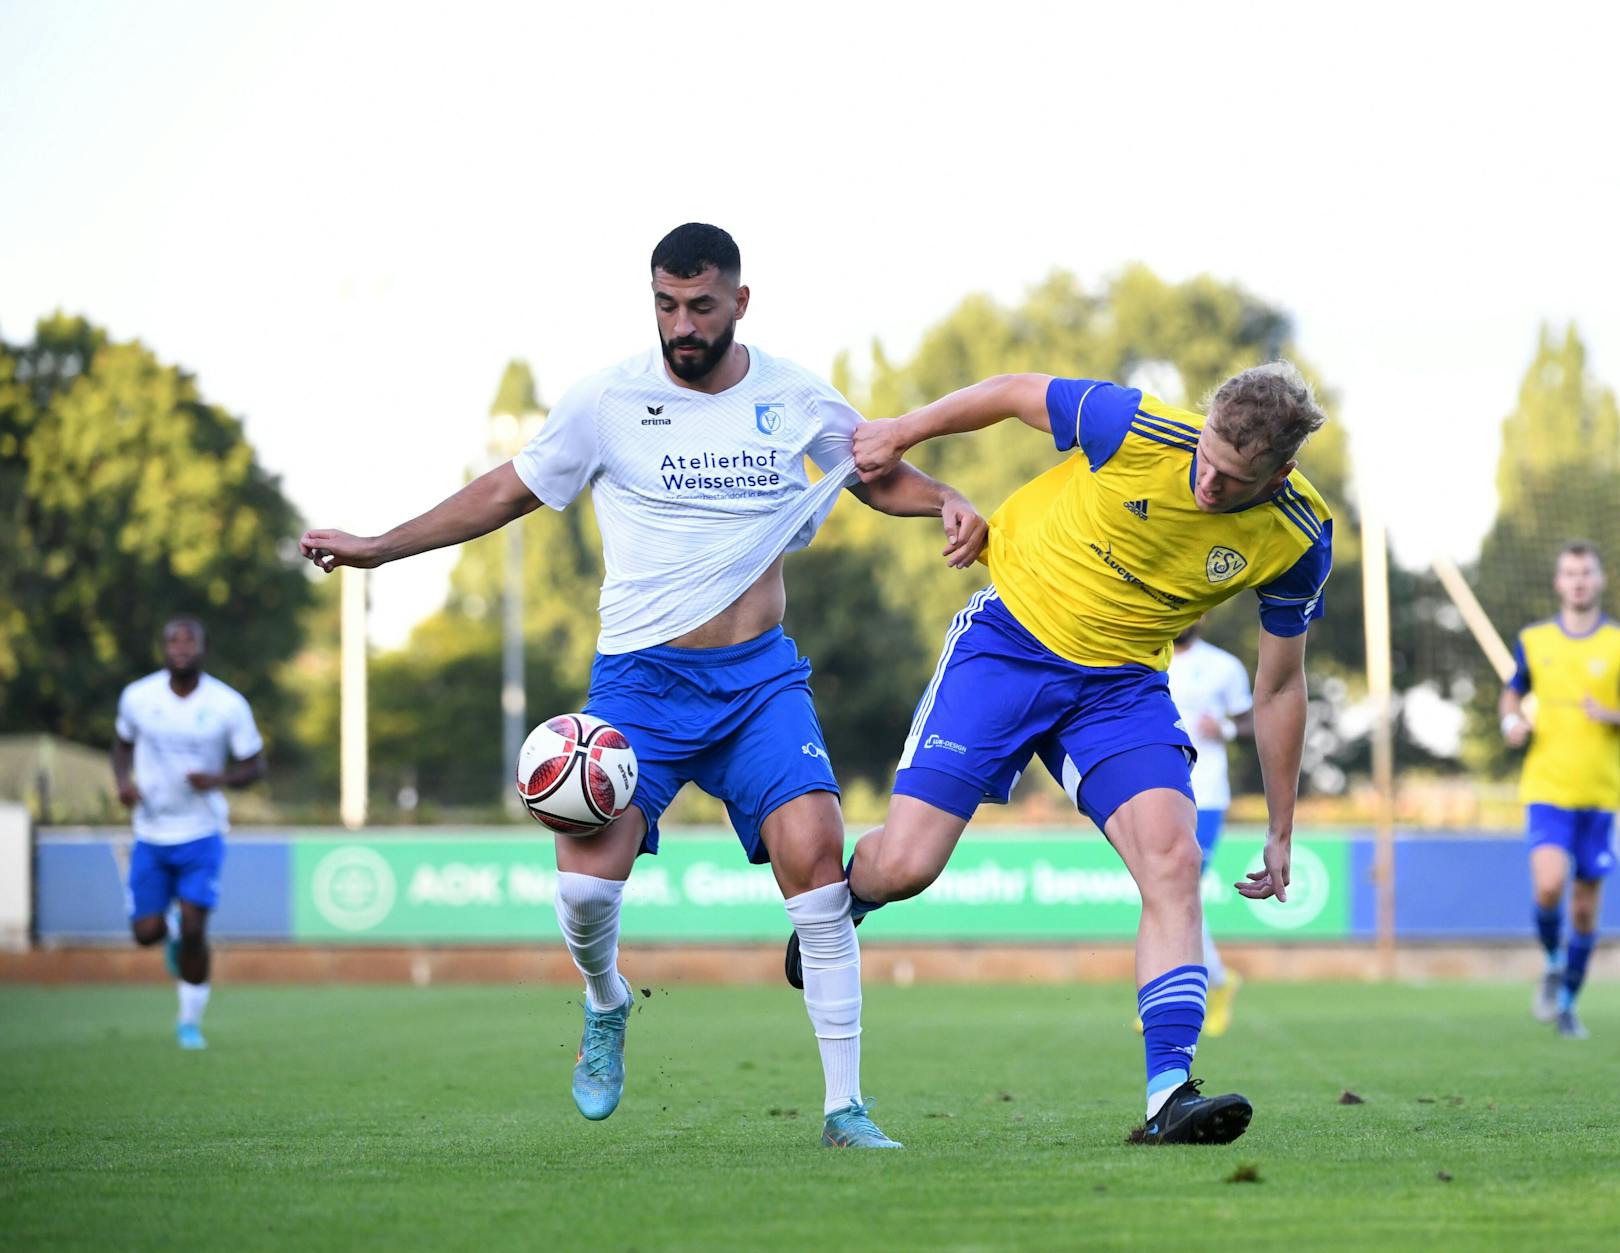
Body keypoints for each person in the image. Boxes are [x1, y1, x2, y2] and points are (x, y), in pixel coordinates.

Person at [301, 223, 987, 1149]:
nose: (682, 325)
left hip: (758, 682)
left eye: (701, 306)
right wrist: (380, 546)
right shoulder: (609, 401)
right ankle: (607, 998)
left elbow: (875, 474)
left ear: (740, 302)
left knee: (819, 865)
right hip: (640, 682)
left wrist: (944, 498)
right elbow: (507, 490)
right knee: (587, 892)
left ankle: (844, 1108)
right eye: (666, 305)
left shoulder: (793, 396)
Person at [788, 362, 1333, 1145]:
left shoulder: (1298, 536)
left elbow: (1282, 687)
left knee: (1173, 863)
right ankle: (851, 902)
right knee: (906, 865)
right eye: (1206, 458)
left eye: (1233, 477)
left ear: (1280, 473)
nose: (1208, 482)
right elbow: (1012, 391)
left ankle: (1169, 1094)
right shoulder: (1138, 428)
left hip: (1119, 688)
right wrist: (901, 432)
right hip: (1009, 643)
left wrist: (1282, 827)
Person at [1499, 542, 1620, 1039]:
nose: (1578, 580)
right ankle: (1552, 959)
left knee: (1584, 907)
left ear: (1600, 580)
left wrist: (1609, 715)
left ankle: (1567, 1003)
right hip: (1547, 788)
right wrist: (1510, 721)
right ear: (1559, 583)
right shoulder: (1534, 639)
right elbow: (1513, 690)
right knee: (1548, 884)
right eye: (1570, 573)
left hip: (1601, 794)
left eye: (1586, 572)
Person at [112, 617, 266, 1050]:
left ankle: (189, 1024)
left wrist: (218, 778)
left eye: (189, 641)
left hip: (202, 831)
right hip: (151, 830)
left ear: (203, 648)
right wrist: (123, 782)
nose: (180, 648)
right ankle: (170, 930)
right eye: (172, 642)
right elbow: (121, 743)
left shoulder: (227, 704)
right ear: (163, 649)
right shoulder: (139, 697)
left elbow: (256, 765)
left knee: (198, 928)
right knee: (145, 934)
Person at [1165, 623, 1256, 1036]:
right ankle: (1213, 983)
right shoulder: (1140, 652)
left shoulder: (1224, 666)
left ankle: (1186, 996)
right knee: (1165, 891)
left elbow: (1255, 719)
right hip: (1158, 789)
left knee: (1177, 891)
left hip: (1208, 794)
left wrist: (1228, 729)